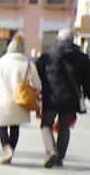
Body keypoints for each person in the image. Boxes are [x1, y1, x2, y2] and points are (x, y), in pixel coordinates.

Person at [36, 29, 90, 167]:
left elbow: (38, 76)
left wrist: (39, 93)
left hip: (51, 97)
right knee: (64, 127)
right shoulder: (83, 57)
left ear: (57, 40)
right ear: (73, 40)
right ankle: (59, 158)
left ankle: (51, 150)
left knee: (46, 124)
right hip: (71, 99)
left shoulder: (47, 56)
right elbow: (87, 80)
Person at [0, 34, 41, 164]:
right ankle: (12, 149)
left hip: (3, 100)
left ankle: (6, 148)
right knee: (15, 126)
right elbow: (38, 84)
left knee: (1, 125)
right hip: (21, 100)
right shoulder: (28, 64)